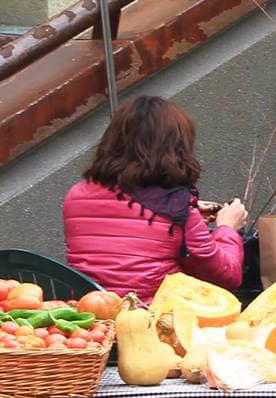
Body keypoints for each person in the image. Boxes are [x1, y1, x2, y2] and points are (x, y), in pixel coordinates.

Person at [63, 96, 246, 299]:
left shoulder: (77, 195)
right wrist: (227, 228)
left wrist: (189, 217)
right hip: (154, 319)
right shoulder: (176, 208)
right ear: (176, 149)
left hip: (92, 318)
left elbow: (128, 232)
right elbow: (226, 276)